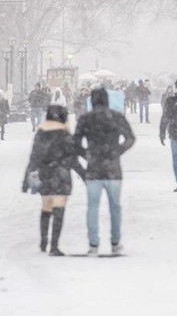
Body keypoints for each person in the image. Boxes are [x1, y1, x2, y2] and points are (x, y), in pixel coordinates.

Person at [74, 88, 135, 255]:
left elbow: (75, 143)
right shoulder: (116, 117)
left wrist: (87, 155)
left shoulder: (86, 119)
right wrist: (117, 151)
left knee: (92, 207)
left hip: (94, 168)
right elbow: (130, 138)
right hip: (113, 168)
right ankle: (115, 242)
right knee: (115, 207)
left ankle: (93, 243)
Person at [22, 105, 86, 256]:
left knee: (46, 207)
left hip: (44, 175)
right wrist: (85, 176)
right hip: (61, 176)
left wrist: (27, 178)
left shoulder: (41, 133)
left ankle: (43, 241)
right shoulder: (65, 135)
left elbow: (34, 156)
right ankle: (54, 245)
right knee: (59, 209)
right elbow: (73, 159)